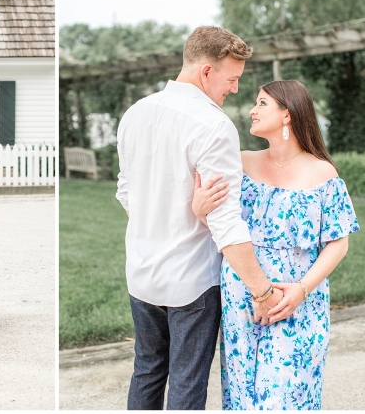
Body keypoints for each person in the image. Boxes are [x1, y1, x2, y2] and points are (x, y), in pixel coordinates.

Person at [115, 26, 283, 410]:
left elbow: (126, 192)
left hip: (140, 271)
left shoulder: (135, 113)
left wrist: (158, 216)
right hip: (192, 281)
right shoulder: (214, 125)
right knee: (187, 383)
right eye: (232, 78)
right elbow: (225, 221)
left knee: (147, 370)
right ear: (206, 71)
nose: (236, 89)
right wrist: (263, 291)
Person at [192, 80, 359, 410]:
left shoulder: (323, 172)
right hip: (242, 295)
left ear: (287, 114)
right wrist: (200, 212)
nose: (252, 110)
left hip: (298, 299)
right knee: (244, 390)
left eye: (262, 103)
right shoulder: (238, 163)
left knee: (290, 393)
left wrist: (301, 290)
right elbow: (223, 229)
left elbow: (339, 244)